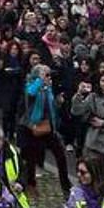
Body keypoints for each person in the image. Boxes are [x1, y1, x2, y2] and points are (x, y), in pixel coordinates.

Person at [20, 64, 72, 196]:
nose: (49, 77)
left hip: (48, 126)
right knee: (31, 157)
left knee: (60, 154)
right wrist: (40, 80)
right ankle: (30, 184)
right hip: (33, 126)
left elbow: (50, 107)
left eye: (49, 75)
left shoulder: (48, 88)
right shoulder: (31, 84)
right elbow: (30, 94)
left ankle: (66, 184)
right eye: (46, 74)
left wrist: (58, 102)